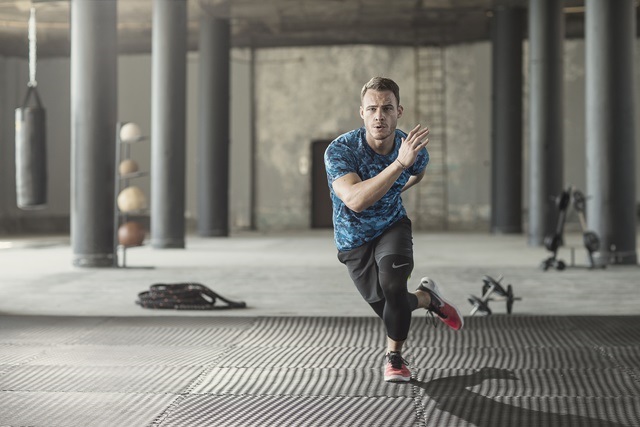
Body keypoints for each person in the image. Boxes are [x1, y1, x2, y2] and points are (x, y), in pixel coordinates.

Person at [324, 76, 463, 383]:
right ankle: (427, 298)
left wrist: (395, 189)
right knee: (391, 306)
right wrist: (399, 165)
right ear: (362, 113)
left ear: (399, 111)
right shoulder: (341, 150)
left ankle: (394, 359)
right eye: (372, 109)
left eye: (387, 108)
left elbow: (418, 171)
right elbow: (355, 200)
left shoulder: (413, 149)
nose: (379, 116)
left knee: (393, 286)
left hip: (392, 226)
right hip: (353, 239)